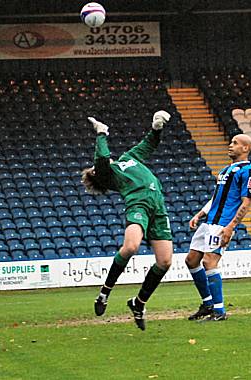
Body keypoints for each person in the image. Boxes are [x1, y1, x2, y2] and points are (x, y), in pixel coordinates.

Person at [84, 111, 172, 331]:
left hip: (158, 206)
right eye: (95, 169)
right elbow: (102, 159)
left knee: (165, 262)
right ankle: (105, 292)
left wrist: (157, 128)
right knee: (131, 246)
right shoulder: (109, 174)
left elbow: (147, 145)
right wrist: (102, 133)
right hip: (139, 205)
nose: (97, 166)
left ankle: (138, 304)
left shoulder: (128, 158)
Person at [185, 134, 251, 321]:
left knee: (209, 262)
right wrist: (199, 214)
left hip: (222, 224)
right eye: (231, 142)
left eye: (235, 143)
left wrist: (231, 226)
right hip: (208, 222)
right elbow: (216, 197)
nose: (230, 145)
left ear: (245, 148)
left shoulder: (248, 172)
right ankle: (208, 303)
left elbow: (246, 203)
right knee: (192, 260)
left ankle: (219, 311)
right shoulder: (226, 170)